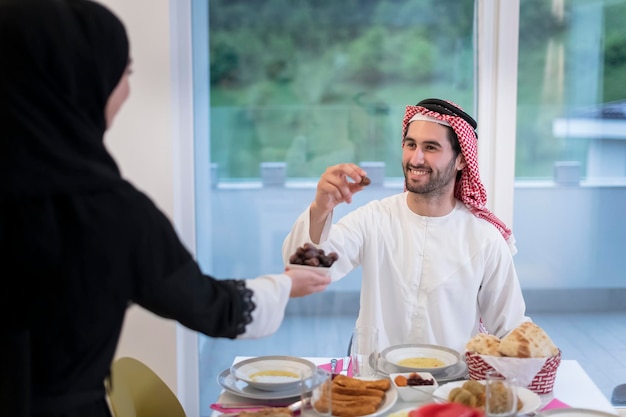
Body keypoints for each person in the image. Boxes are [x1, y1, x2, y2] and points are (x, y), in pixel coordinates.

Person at [0, 1, 330, 416]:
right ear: (83, 82)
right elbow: (211, 306)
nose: (126, 89)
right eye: (125, 73)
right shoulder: (109, 213)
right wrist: (285, 285)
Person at [282, 98, 529, 354]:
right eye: (411, 145)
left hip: (450, 386)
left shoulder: (484, 239)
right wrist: (321, 210)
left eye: (431, 147)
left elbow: (509, 328)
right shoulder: (374, 219)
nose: (416, 158)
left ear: (461, 160)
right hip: (377, 383)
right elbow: (304, 271)